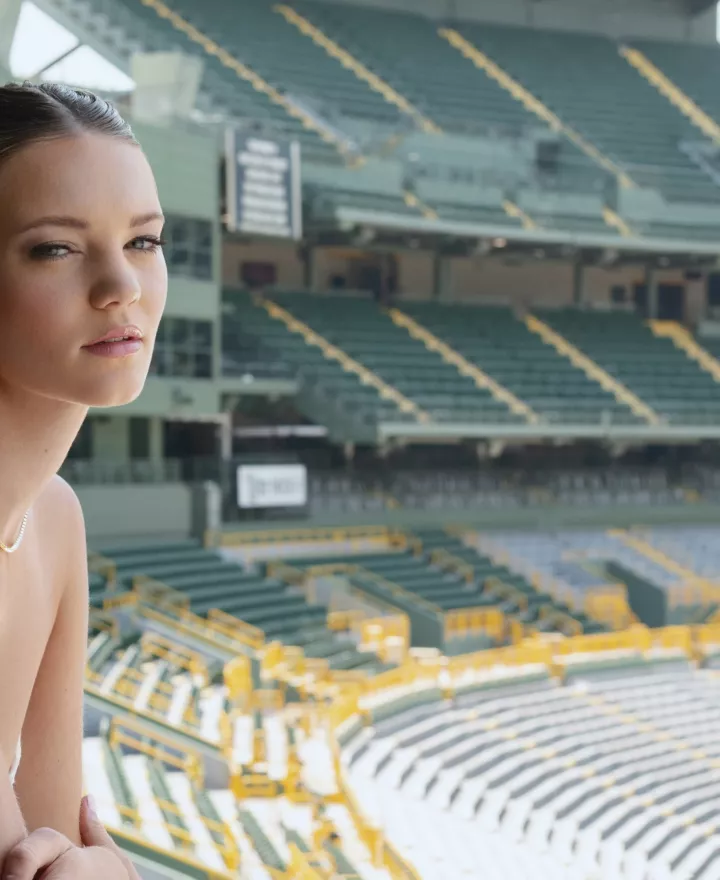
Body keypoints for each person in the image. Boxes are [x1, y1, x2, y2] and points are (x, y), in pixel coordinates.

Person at [0, 81, 167, 879]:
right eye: (55, 248)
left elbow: (60, 836)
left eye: (143, 241)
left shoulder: (52, 519)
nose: (122, 286)